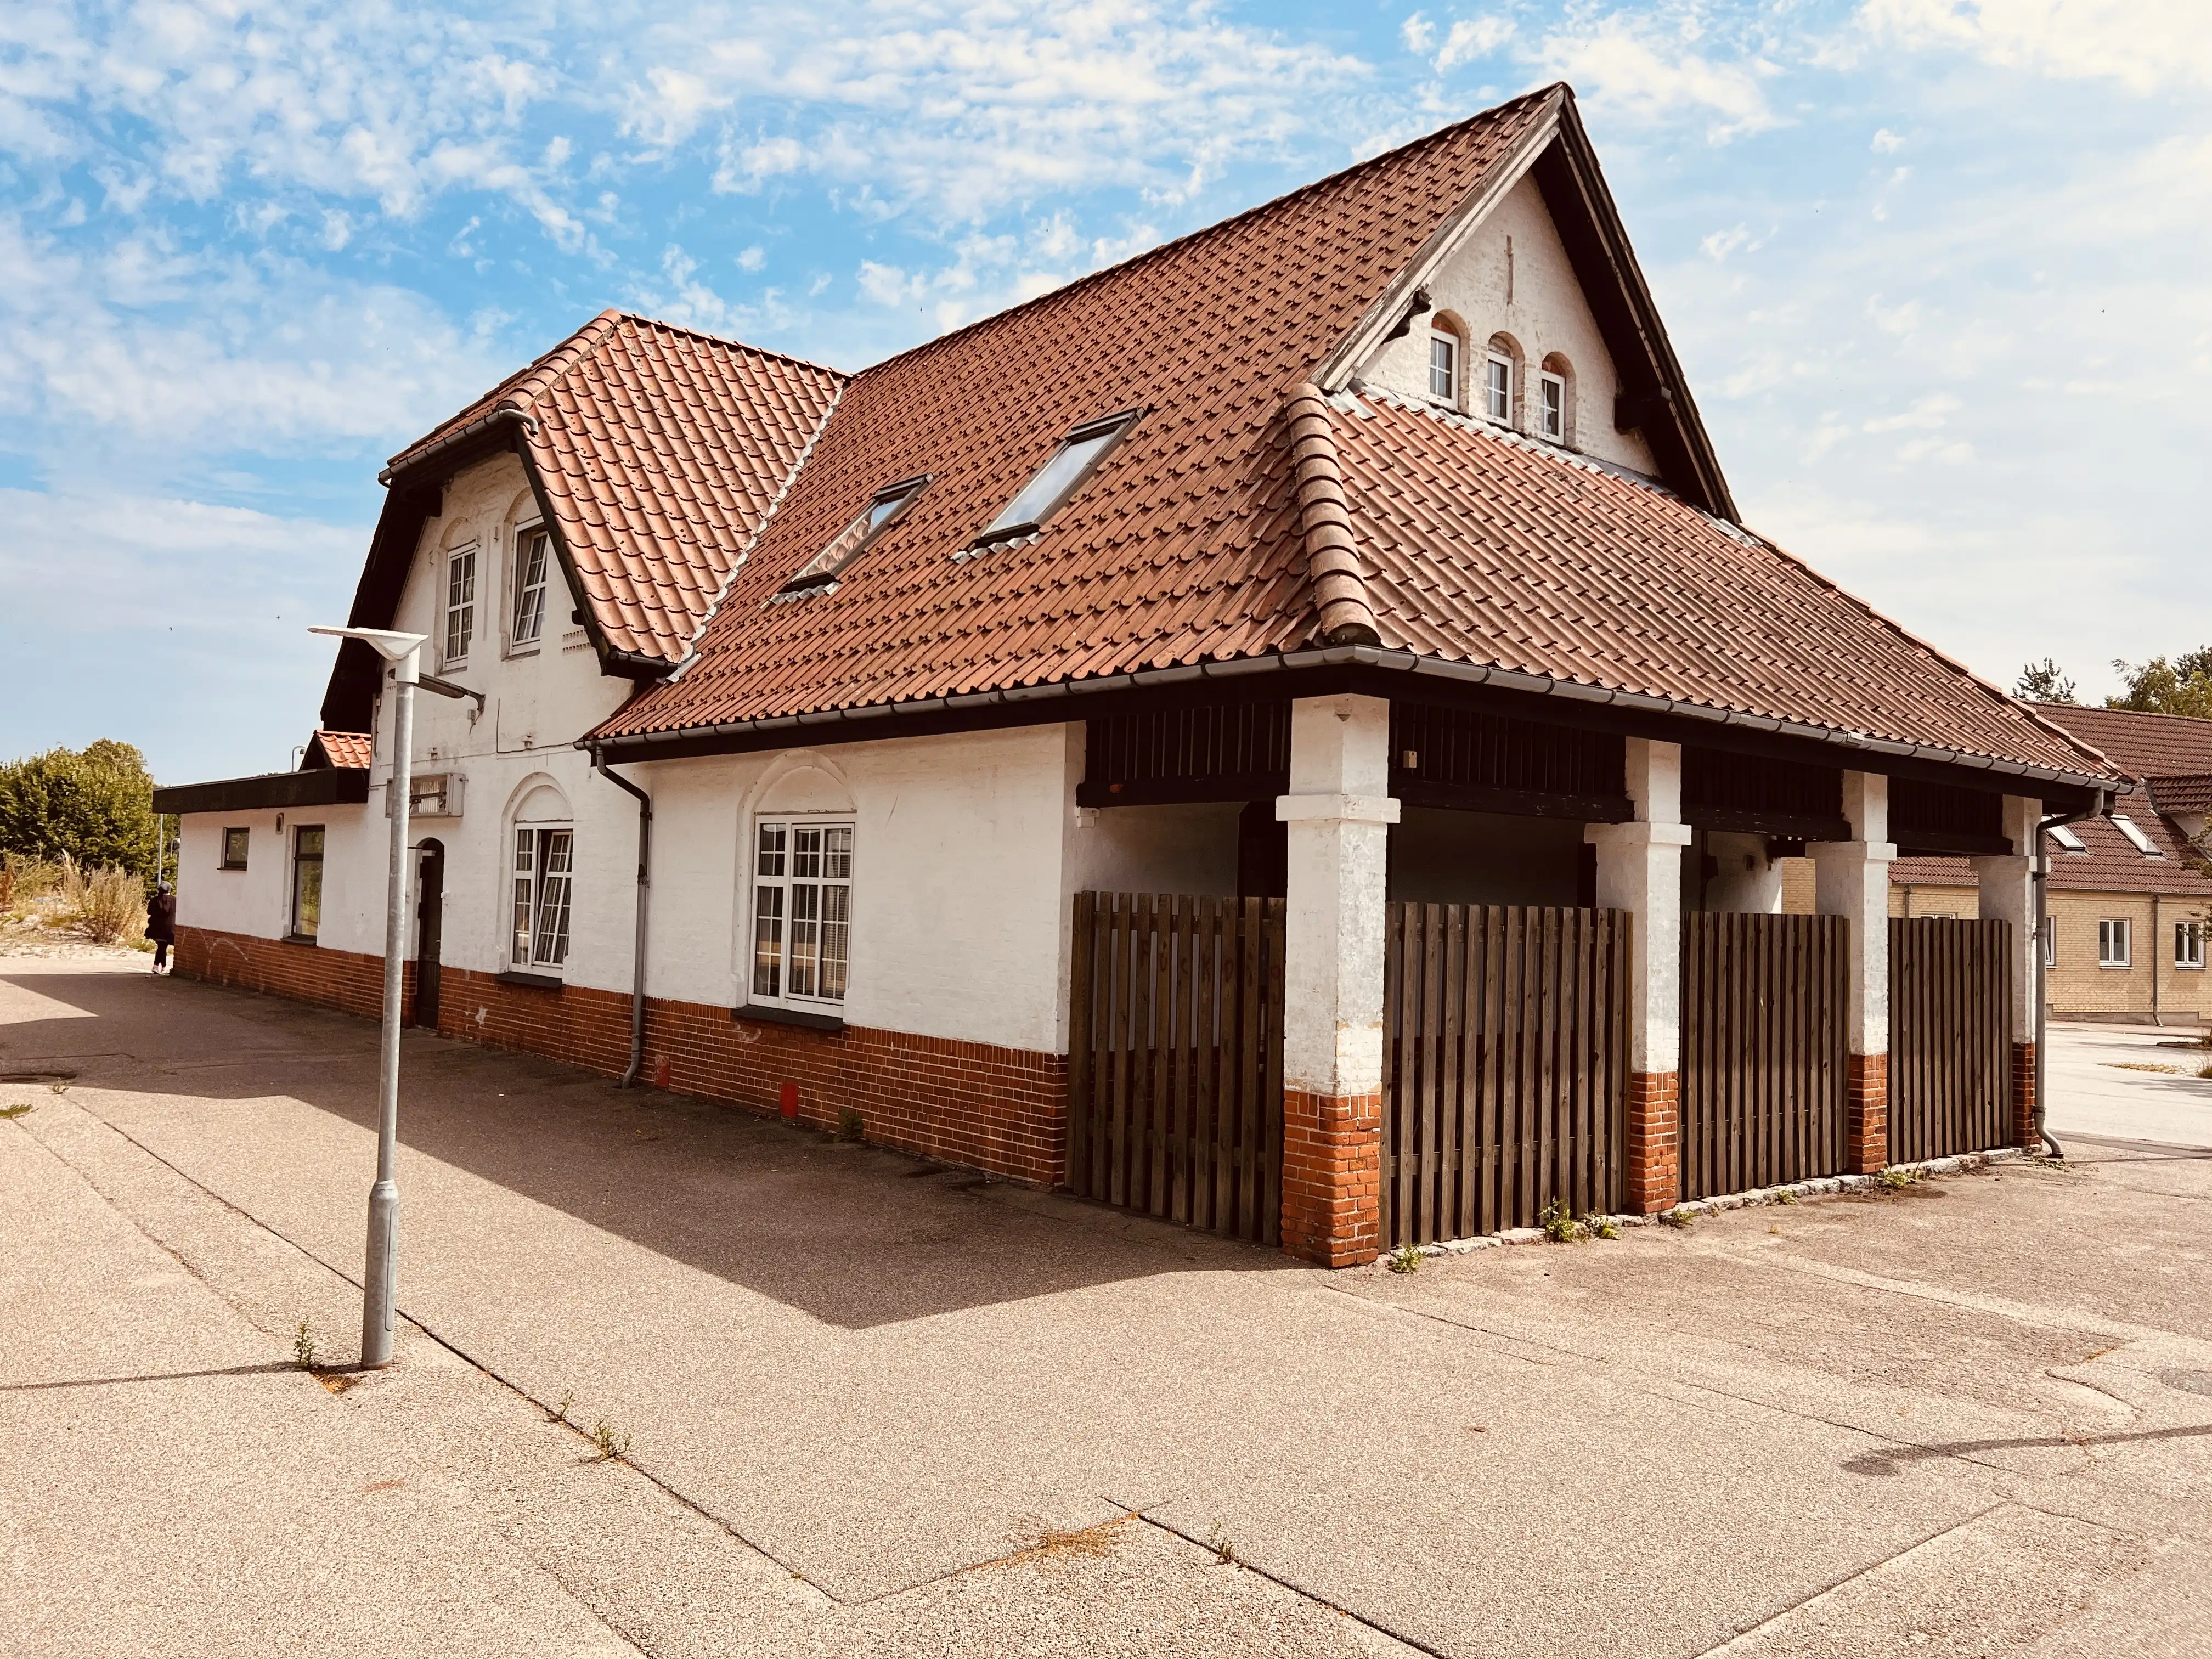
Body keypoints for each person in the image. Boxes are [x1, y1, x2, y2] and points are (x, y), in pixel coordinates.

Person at [148, 880, 176, 974]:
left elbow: (149, 912)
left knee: (162, 946)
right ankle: (161, 966)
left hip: (157, 927)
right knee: (163, 946)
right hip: (170, 927)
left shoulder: (155, 900)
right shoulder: (175, 900)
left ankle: (159, 966)